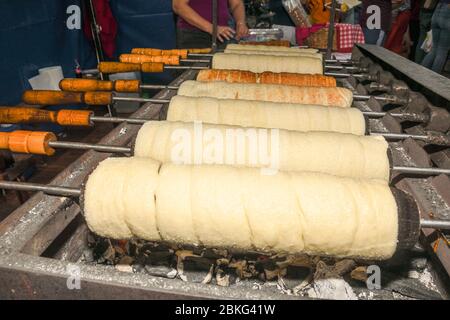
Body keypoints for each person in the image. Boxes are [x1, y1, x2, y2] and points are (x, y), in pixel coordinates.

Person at [173, 0, 249, 49]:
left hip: (223, 34)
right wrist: (211, 28)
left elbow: (236, 3)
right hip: (194, 34)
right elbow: (178, 6)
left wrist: (240, 22)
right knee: (196, 73)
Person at [421, 0, 450, 74]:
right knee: (442, 51)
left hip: (438, 8)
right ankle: (432, 81)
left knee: (434, 49)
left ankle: (420, 76)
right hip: (447, 13)